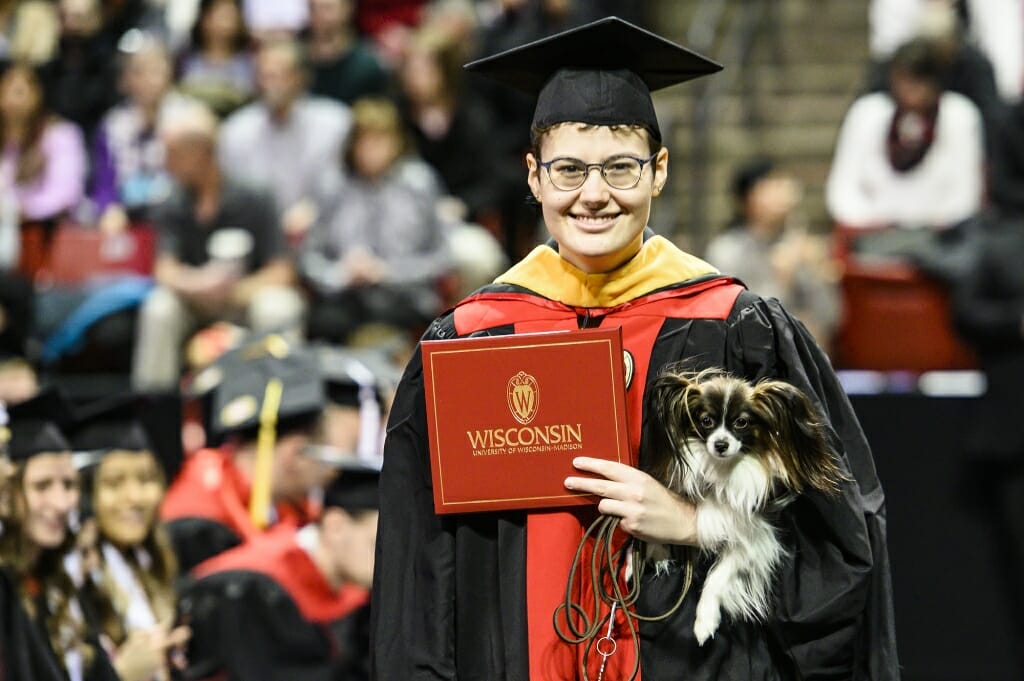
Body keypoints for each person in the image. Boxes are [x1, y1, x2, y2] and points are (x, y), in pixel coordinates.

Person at [371, 17, 899, 681]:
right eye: (568, 170)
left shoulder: (738, 328)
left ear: (659, 171)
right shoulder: (472, 338)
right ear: (532, 177)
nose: (594, 194)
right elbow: (416, 567)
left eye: (620, 167)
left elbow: (841, 537)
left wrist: (696, 521)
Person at [129, 101, 304, 392]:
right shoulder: (171, 201)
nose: (164, 162)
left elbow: (282, 271)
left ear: (202, 153)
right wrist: (195, 284)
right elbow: (164, 269)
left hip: (246, 297)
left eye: (173, 153)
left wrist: (234, 291)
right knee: (158, 308)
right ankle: (153, 412)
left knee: (278, 307)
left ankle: (283, 411)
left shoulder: (255, 197)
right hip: (194, 299)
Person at [181, 458, 380, 680]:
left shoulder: (352, 591)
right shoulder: (250, 587)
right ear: (335, 527)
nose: (387, 562)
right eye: (377, 545)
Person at [160, 335, 332, 573]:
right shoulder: (199, 521)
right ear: (296, 453)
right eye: (322, 450)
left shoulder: (283, 503)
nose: (330, 468)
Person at [300, 96, 453, 346]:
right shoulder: (332, 186)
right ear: (352, 145)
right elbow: (309, 258)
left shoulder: (420, 184)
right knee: (322, 323)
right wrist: (340, 274)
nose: (372, 150)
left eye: (380, 141)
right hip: (345, 297)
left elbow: (443, 257)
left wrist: (388, 272)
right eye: (365, 141)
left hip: (405, 295)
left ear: (397, 143)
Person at [69, 392, 191, 681]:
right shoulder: (77, 583)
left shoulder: (156, 563)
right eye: (114, 483)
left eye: (146, 479)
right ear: (85, 494)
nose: (135, 497)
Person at [0, 388, 121, 681]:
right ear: (8, 494)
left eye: (68, 485)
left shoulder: (61, 585)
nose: (61, 503)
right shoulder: (6, 588)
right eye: (42, 486)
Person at [827, 38, 984, 230]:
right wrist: (881, 223)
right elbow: (842, 193)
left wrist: (922, 225)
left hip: (939, 237)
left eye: (919, 81)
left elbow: (964, 199)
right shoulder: (867, 113)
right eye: (904, 80)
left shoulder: (960, 116)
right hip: (874, 232)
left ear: (936, 81)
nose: (911, 91)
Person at [218, 37, 352, 241]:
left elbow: (348, 187)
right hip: (259, 239)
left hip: (326, 236)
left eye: (281, 75)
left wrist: (312, 211)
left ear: (302, 77)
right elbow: (232, 196)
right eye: (265, 76)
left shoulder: (336, 123)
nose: (271, 84)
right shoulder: (236, 131)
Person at [705, 159, 840, 349]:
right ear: (749, 198)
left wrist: (818, 274)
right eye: (772, 184)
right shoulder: (727, 251)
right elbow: (738, 323)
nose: (784, 191)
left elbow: (830, 316)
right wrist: (782, 280)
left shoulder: (798, 245)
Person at [90, 35, 195, 233]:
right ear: (125, 78)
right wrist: (109, 208)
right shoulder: (113, 124)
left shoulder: (189, 119)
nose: (149, 79)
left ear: (169, 72)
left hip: (177, 214)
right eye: (138, 71)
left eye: (156, 70)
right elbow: (103, 183)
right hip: (128, 215)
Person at [0, 60, 87, 226]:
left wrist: (20, 209)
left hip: (49, 232)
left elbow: (65, 195)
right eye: (4, 90)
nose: (10, 100)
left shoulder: (60, 135)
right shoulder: (5, 142)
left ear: (37, 94)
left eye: (18, 92)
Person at [176, 0, 256, 119]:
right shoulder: (184, 59)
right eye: (219, 15)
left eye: (229, 16)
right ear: (204, 19)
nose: (224, 23)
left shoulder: (251, 61)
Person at [305, 0, 390, 106]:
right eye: (312, 8)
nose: (318, 15)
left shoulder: (365, 66)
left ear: (347, 10)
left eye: (327, 8)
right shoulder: (297, 55)